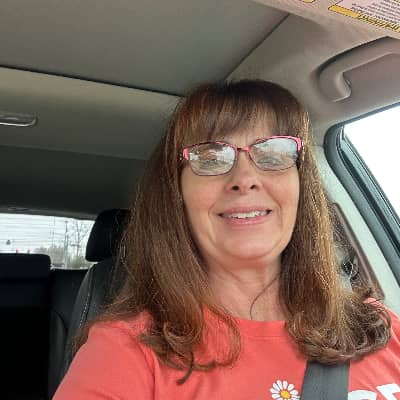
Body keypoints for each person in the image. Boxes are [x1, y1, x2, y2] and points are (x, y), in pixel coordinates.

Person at [54, 80, 400, 400]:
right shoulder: (125, 352)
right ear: (177, 195)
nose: (245, 178)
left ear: (301, 185)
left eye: (273, 153)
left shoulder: (378, 327)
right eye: (210, 158)